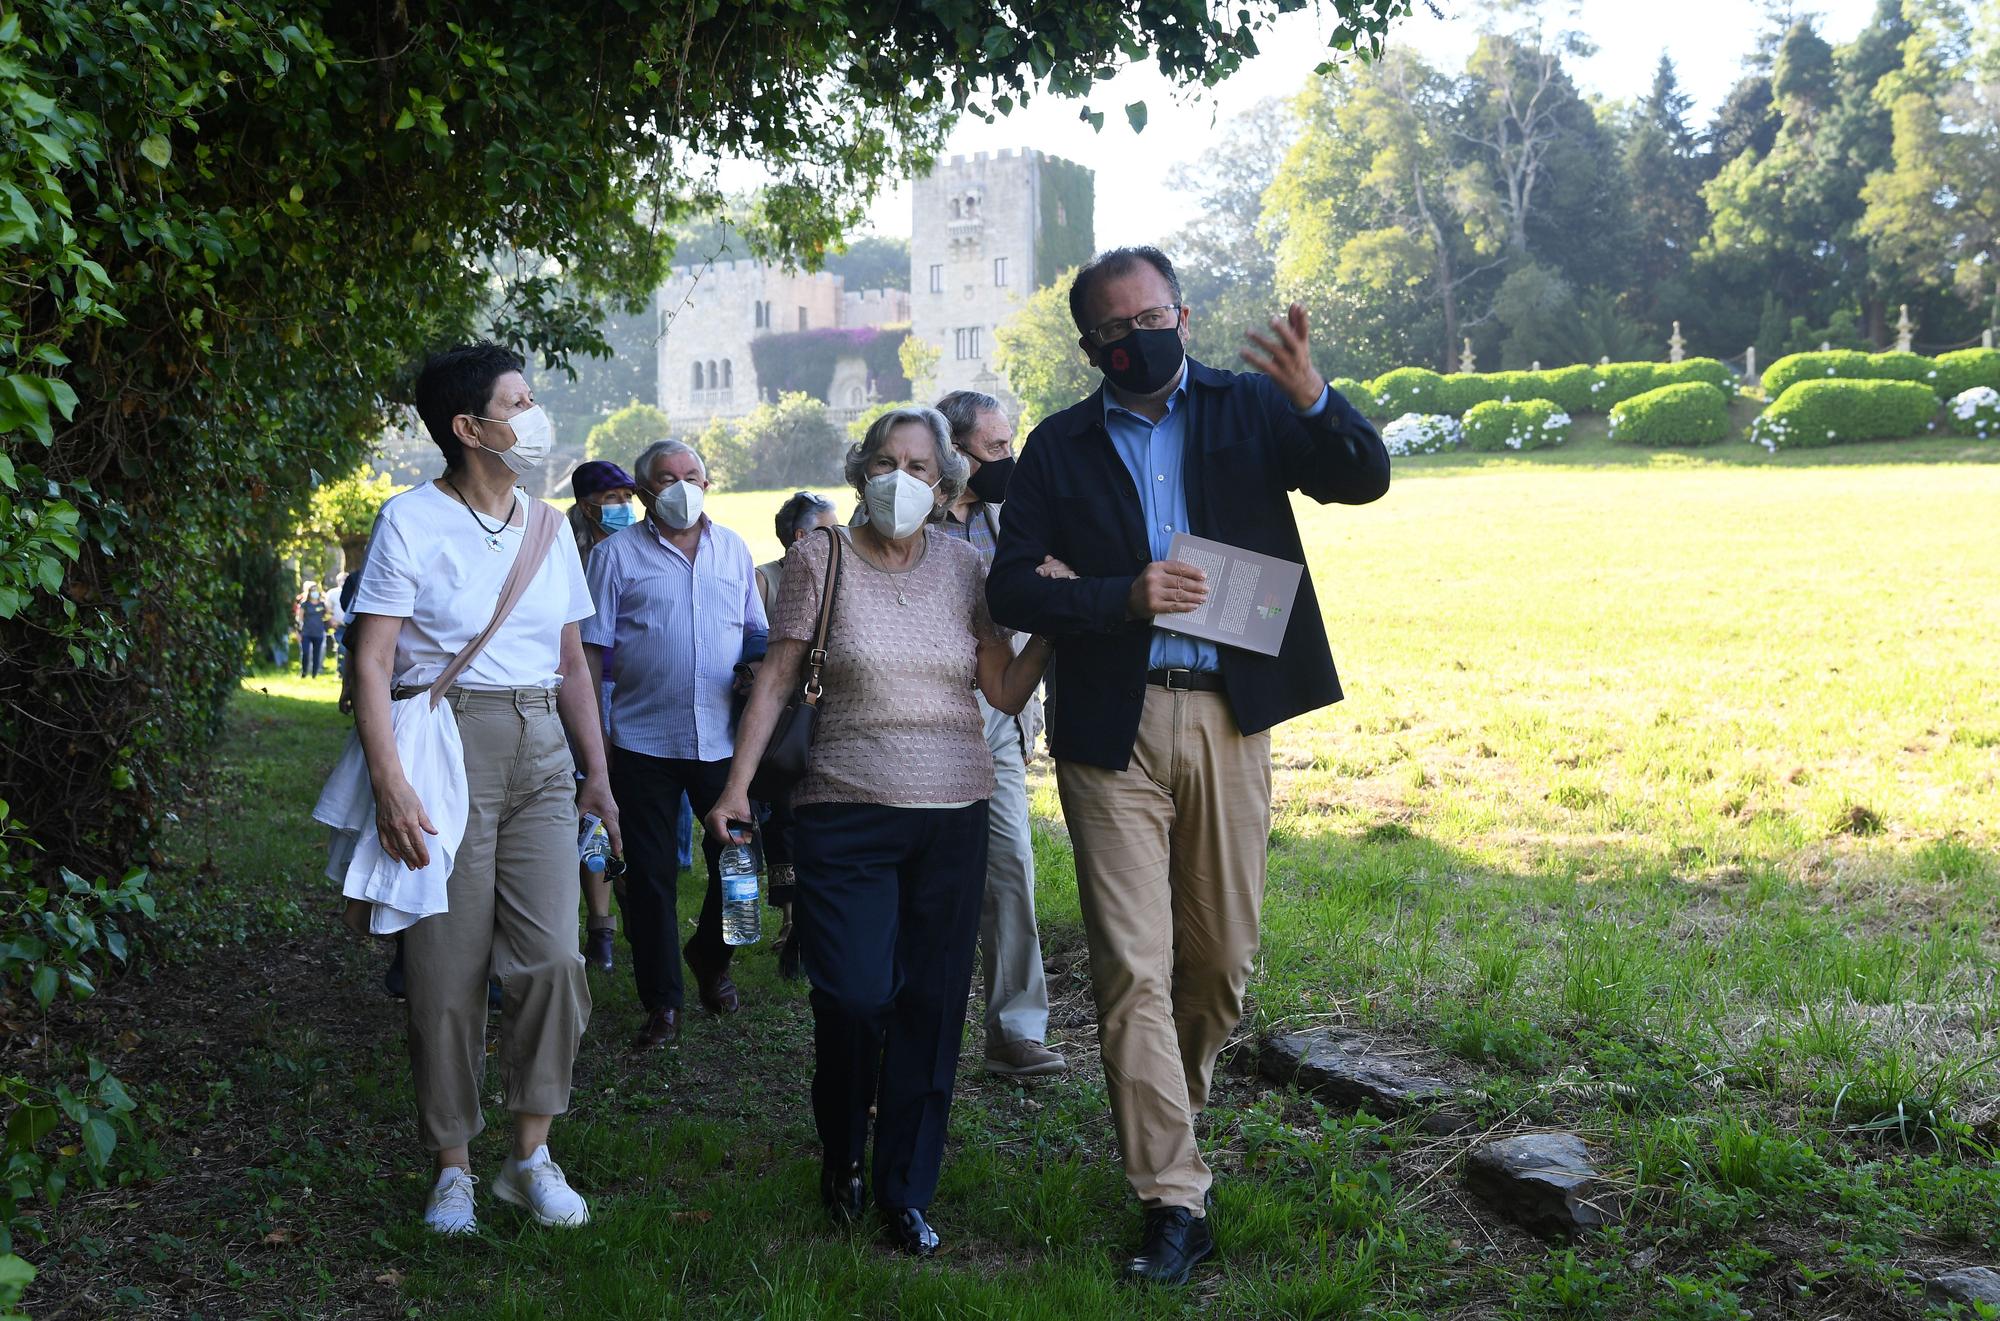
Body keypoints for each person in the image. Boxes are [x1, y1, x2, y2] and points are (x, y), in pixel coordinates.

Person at [985, 247, 1391, 1285]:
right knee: (1132, 968)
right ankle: (1171, 1193)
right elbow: (1014, 589)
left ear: (1182, 313)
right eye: (1114, 330)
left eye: (1150, 316)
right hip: (1109, 731)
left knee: (1218, 964)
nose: (1137, 338)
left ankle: (1171, 1105)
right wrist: (1120, 596)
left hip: (1228, 713)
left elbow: (1361, 479)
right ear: (1090, 346)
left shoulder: (1251, 408)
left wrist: (1314, 397)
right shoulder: (1059, 446)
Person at [706, 408, 1056, 1257]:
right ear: (862, 469)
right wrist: (738, 787)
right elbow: (777, 680)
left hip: (954, 812)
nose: (903, 478)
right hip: (844, 811)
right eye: (888, 461)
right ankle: (841, 1150)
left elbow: (1003, 692)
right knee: (856, 998)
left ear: (945, 486)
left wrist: (1055, 618)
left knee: (932, 1009)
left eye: (922, 467)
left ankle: (905, 1187)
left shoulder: (969, 566)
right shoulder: (819, 558)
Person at [347, 342, 616, 1235]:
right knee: (444, 971)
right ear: (469, 428)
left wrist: (598, 777)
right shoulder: (412, 520)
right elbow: (373, 658)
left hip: (541, 745)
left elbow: (572, 660)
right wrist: (389, 784)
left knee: (555, 960)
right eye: (519, 400)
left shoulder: (548, 527)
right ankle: (453, 1163)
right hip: (443, 745)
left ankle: (529, 1155)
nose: (535, 415)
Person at [582, 439, 767, 1049]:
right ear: (644, 491)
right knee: (652, 876)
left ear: (708, 483)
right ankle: (662, 1001)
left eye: (691, 474)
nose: (681, 485)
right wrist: (595, 738)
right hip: (640, 740)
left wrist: (755, 668)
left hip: (722, 742)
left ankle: (714, 958)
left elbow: (755, 633)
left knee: (739, 866)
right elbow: (590, 650)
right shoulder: (614, 556)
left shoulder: (733, 549)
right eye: (667, 477)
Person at [934, 390, 1066, 1080]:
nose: (1009, 460)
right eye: (996, 448)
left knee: (1011, 865)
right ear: (953, 452)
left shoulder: (1011, 518)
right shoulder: (900, 517)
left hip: (997, 713)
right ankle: (911, 1027)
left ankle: (1015, 1029)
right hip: (913, 716)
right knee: (924, 879)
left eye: (1010, 445)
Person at [753, 490, 840, 970]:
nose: (842, 536)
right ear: (804, 536)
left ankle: (815, 921)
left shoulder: (843, 577)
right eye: (831, 528)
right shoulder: (765, 580)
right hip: (785, 724)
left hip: (833, 721)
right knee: (783, 820)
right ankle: (790, 921)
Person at [565, 459, 642, 973]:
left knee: (631, 805)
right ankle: (601, 924)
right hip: (578, 687)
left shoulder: (637, 546)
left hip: (632, 686)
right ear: (588, 503)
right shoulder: (562, 550)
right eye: (612, 499)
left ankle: (635, 915)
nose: (623, 507)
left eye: (626, 498)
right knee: (591, 800)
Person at [296, 581, 334, 678]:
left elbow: (329, 613)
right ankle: (304, 672)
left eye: (316, 590)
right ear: (309, 592)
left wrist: (326, 600)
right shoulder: (305, 604)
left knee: (317, 654)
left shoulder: (322, 604)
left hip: (318, 633)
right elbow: (299, 618)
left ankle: (314, 674)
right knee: (306, 653)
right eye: (313, 590)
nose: (315, 592)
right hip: (306, 632)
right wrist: (298, 632)